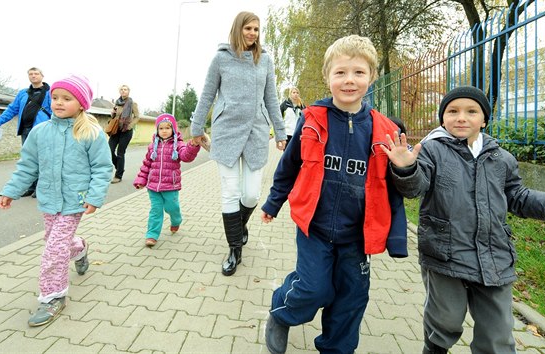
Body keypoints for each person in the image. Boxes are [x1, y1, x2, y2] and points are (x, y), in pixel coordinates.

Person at [382, 85, 545, 354]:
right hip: (445, 254)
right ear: (443, 118)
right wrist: (405, 167)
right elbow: (415, 188)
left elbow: (517, 196)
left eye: (471, 111)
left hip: (494, 256)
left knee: (498, 335)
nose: (461, 117)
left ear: (484, 119)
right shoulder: (431, 151)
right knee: (445, 322)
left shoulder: (501, 158)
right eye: (453, 111)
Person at [261, 35, 409, 354]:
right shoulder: (313, 119)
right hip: (314, 228)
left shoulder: (383, 130)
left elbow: (392, 190)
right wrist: (274, 201)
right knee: (314, 289)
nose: (349, 80)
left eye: (358, 72)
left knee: (352, 297)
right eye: (340, 72)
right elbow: (290, 165)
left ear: (371, 76)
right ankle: (280, 312)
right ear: (328, 77)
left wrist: (397, 239)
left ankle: (335, 348)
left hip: (356, 236)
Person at [0, 75, 113, 327]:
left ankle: (53, 297)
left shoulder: (90, 133)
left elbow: (103, 168)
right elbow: (27, 167)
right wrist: (10, 191)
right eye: (55, 97)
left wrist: (95, 197)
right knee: (55, 242)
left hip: (75, 202)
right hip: (49, 199)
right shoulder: (40, 132)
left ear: (81, 103)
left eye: (67, 98)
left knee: (53, 250)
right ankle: (80, 248)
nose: (59, 102)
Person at [190, 11, 287, 277]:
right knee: (230, 192)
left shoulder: (265, 60)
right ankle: (234, 249)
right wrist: (197, 128)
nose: (253, 33)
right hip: (226, 132)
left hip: (256, 132)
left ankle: (239, 226)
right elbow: (207, 94)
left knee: (252, 193)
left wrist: (280, 132)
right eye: (248, 28)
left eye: (256, 29)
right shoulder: (221, 58)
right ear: (238, 29)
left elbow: (271, 98)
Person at [133, 113, 201, 247]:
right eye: (161, 128)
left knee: (172, 207)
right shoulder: (153, 146)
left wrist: (192, 145)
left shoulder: (178, 145)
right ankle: (152, 235)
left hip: (171, 185)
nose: (164, 131)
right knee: (155, 210)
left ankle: (176, 220)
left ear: (174, 129)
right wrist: (141, 180)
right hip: (153, 186)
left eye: (167, 128)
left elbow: (186, 156)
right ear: (157, 130)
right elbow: (147, 164)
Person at [0, 67, 52, 198]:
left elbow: (55, 111)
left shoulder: (50, 92)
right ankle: (30, 187)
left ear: (42, 76)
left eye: (36, 74)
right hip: (26, 130)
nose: (33, 76)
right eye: (31, 74)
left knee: (43, 159)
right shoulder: (23, 93)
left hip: (43, 130)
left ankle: (40, 188)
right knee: (29, 159)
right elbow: (12, 109)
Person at [109, 84, 139, 184]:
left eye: (125, 89)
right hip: (116, 129)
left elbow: (137, 117)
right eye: (121, 89)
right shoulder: (117, 103)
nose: (123, 91)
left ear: (128, 91)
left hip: (126, 131)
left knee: (120, 152)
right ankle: (119, 167)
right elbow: (113, 116)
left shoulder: (132, 103)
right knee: (109, 150)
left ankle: (118, 175)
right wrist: (112, 112)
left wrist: (130, 126)